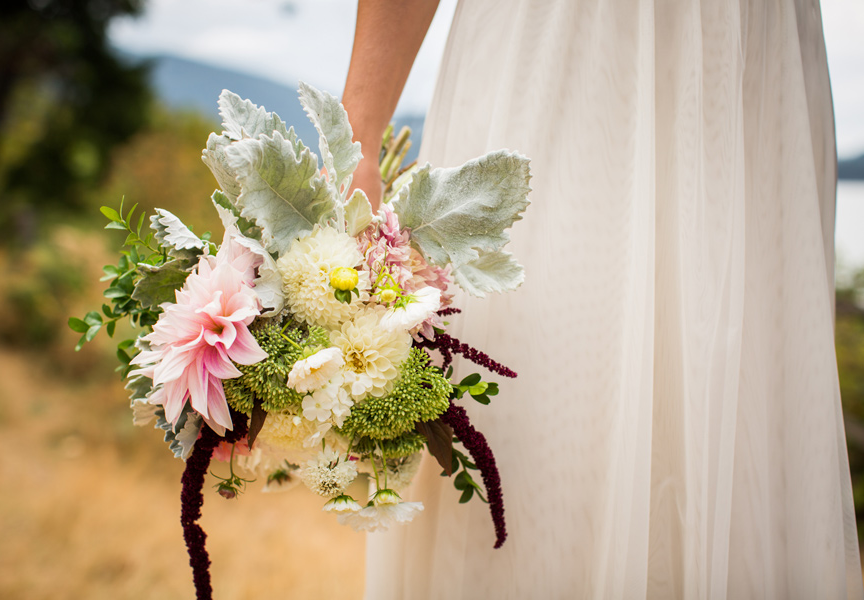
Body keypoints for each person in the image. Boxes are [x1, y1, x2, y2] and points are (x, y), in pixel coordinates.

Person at [341, 1, 863, 597]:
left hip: (746, 72)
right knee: (537, 421)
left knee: (744, 434)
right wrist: (357, 134)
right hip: (556, 52)